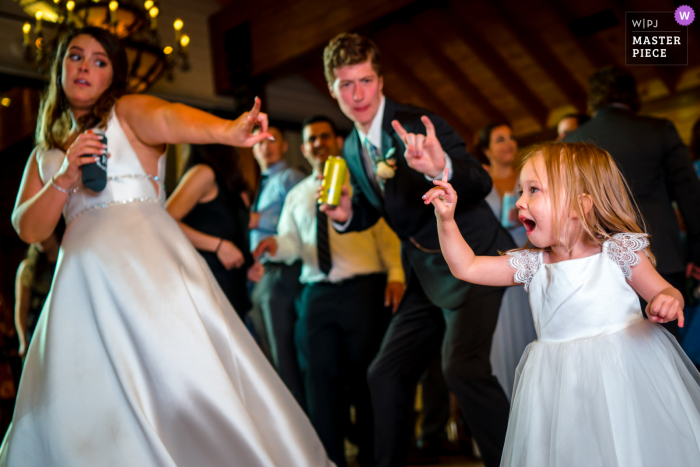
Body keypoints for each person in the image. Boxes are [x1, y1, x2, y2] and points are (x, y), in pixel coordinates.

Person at [0, 27, 333, 466]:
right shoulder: (44, 151)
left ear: (113, 76)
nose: (85, 66)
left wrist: (228, 130)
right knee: (90, 396)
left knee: (179, 379)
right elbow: (28, 227)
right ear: (60, 67)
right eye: (75, 57)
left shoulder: (126, 112)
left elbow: (172, 117)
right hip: (82, 285)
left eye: (99, 61)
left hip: (148, 271)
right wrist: (63, 178)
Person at [425, 141, 700, 467]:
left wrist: (666, 300)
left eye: (533, 190)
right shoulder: (533, 264)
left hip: (623, 373)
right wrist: (447, 221)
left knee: (629, 449)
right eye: (521, 191)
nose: (521, 203)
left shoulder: (617, 252)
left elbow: (665, 290)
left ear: (579, 205)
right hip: (559, 383)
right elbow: (466, 266)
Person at [319, 33, 515, 467]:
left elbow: (479, 182)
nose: (358, 94)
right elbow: (381, 209)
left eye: (365, 81)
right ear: (332, 90)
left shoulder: (417, 122)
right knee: (384, 373)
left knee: (461, 370)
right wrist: (346, 215)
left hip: (475, 260)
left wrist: (440, 168)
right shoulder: (351, 147)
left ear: (381, 81)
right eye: (346, 85)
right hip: (425, 274)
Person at [255, 114, 405, 467]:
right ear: (304, 148)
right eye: (311, 139)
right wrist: (274, 246)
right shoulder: (296, 194)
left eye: (324, 136)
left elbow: (386, 235)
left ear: (337, 142)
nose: (318, 143)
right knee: (319, 386)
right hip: (316, 295)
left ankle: (372, 460)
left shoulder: (362, 185)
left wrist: (396, 275)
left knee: (366, 382)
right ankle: (328, 461)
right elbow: (293, 242)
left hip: (364, 292)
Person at [563, 66, 700, 339]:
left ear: (594, 98)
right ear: (632, 94)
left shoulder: (572, 142)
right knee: (665, 349)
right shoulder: (658, 130)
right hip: (660, 255)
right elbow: (690, 196)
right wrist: (696, 252)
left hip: (594, 262)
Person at [474, 123, 536, 399]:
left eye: (511, 137)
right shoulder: (479, 184)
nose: (509, 143)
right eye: (500, 139)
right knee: (501, 343)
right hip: (495, 268)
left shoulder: (528, 178)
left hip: (530, 261)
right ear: (486, 150)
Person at [248, 126, 307, 406]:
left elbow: (303, 223)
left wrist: (254, 218)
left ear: (285, 146)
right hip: (261, 274)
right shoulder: (262, 183)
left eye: (272, 141)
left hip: (284, 270)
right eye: (260, 142)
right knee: (270, 356)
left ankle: (301, 429)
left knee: (285, 356)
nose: (266, 147)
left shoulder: (291, 178)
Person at [166, 144, 254, 317]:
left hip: (233, 284)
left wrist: (250, 263)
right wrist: (218, 246)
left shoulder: (228, 183)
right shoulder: (204, 172)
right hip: (210, 282)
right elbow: (166, 220)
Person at [14, 220, 65, 360]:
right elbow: (22, 308)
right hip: (38, 334)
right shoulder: (28, 267)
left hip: (64, 333)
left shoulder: (68, 262)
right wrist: (23, 341)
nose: (37, 238)